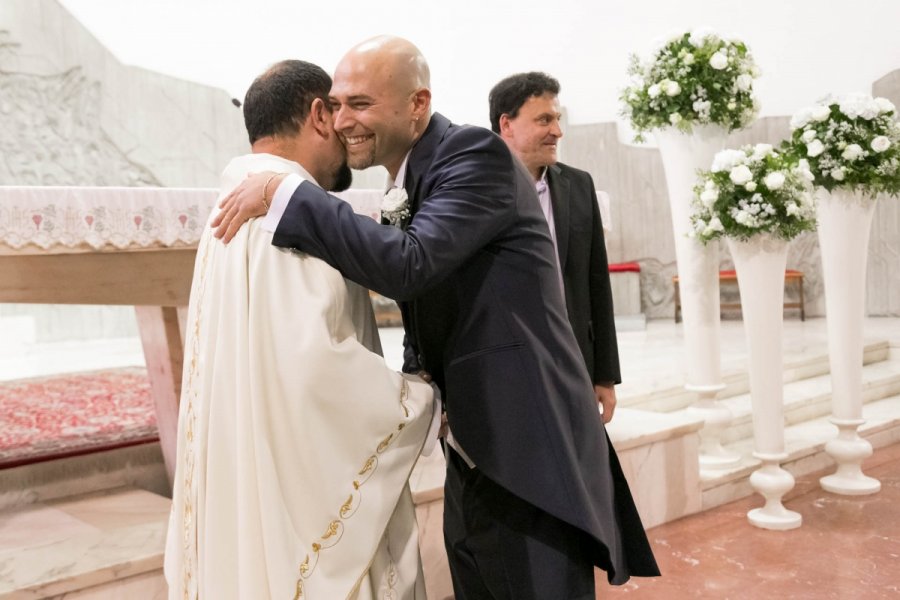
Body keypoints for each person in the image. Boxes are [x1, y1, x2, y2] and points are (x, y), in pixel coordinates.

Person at [213, 37, 659, 599]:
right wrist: (421, 374)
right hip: (476, 447)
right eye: (337, 103)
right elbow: (434, 299)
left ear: (417, 104)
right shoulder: (412, 178)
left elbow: (410, 265)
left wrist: (289, 193)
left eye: (360, 104)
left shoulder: (474, 154)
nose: (341, 120)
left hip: (528, 446)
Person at [164, 59, 436, 600]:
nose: (347, 129)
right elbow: (315, 369)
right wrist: (418, 398)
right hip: (298, 493)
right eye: (340, 110)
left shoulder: (235, 201)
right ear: (318, 114)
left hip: (249, 478)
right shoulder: (287, 212)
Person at [489, 71, 621, 424]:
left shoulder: (578, 185)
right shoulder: (476, 188)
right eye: (544, 120)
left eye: (557, 119)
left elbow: (596, 282)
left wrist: (604, 375)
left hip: (572, 360)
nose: (557, 131)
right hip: (503, 368)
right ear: (507, 124)